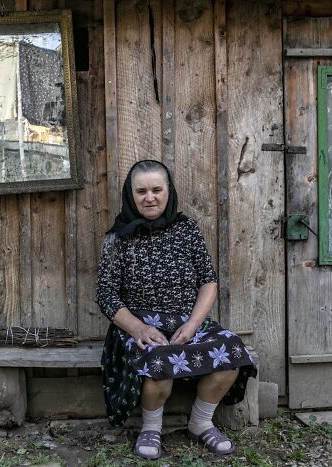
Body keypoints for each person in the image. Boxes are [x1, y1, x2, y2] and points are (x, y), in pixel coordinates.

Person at [96, 159, 257, 459]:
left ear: (169, 191)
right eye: (141, 191)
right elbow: (105, 294)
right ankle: (151, 428)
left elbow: (208, 281)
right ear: (131, 194)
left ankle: (200, 422)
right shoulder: (117, 240)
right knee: (159, 362)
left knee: (231, 353)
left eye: (157, 189)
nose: (150, 197)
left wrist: (194, 325)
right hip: (140, 325)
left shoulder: (186, 230)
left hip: (187, 321)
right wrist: (138, 328)